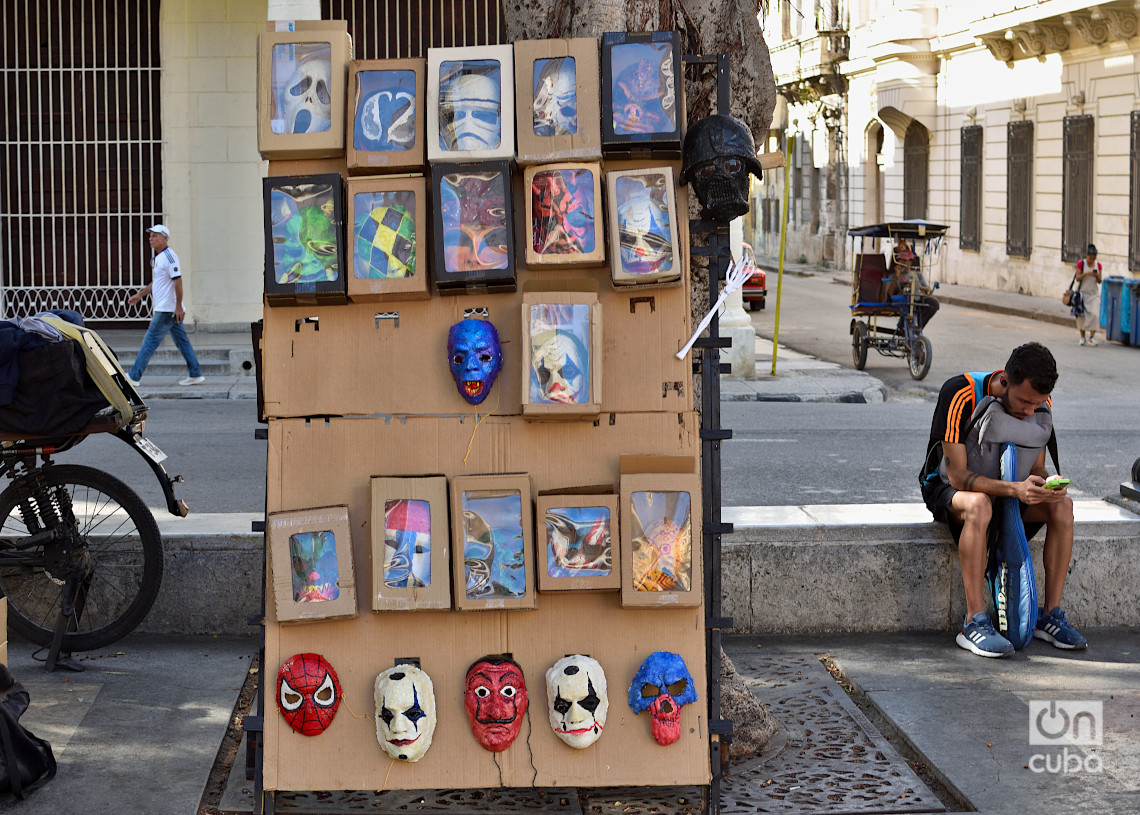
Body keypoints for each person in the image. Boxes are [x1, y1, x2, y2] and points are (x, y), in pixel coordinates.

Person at [920, 342, 1085, 658]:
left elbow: (1036, 467)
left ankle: (1048, 615)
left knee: (1063, 506)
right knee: (979, 504)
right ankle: (973, 620)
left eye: (1035, 405)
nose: (1028, 411)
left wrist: (1047, 484)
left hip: (1011, 493)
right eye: (1024, 401)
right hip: (948, 491)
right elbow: (956, 476)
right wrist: (1015, 490)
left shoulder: (1038, 402)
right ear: (1005, 381)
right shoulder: (960, 392)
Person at [126, 225, 204, 386]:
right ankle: (195, 373)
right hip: (167, 308)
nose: (151, 238)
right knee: (182, 342)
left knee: (150, 341)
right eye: (150, 236)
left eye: (155, 236)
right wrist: (140, 295)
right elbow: (157, 283)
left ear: (165, 238)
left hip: (167, 309)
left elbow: (178, 281)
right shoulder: (159, 258)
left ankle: (134, 376)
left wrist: (178, 307)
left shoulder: (169, 257)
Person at [886, 237, 939, 331]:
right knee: (909, 305)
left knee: (934, 304)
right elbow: (890, 293)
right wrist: (897, 277)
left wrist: (916, 286)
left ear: (911, 262)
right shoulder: (893, 275)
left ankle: (918, 326)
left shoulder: (917, 274)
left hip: (917, 297)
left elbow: (928, 289)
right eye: (901, 260)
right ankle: (903, 325)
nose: (903, 263)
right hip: (903, 300)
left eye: (905, 261)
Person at [1072, 243, 1102, 346]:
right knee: (1081, 317)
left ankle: (1092, 337)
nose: (1091, 261)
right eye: (1090, 258)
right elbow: (1077, 278)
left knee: (1095, 314)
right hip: (1082, 294)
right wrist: (1086, 274)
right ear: (1086, 255)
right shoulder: (1081, 263)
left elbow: (1099, 281)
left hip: (1093, 294)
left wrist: (1096, 276)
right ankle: (1082, 337)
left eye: (1093, 259)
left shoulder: (1098, 265)